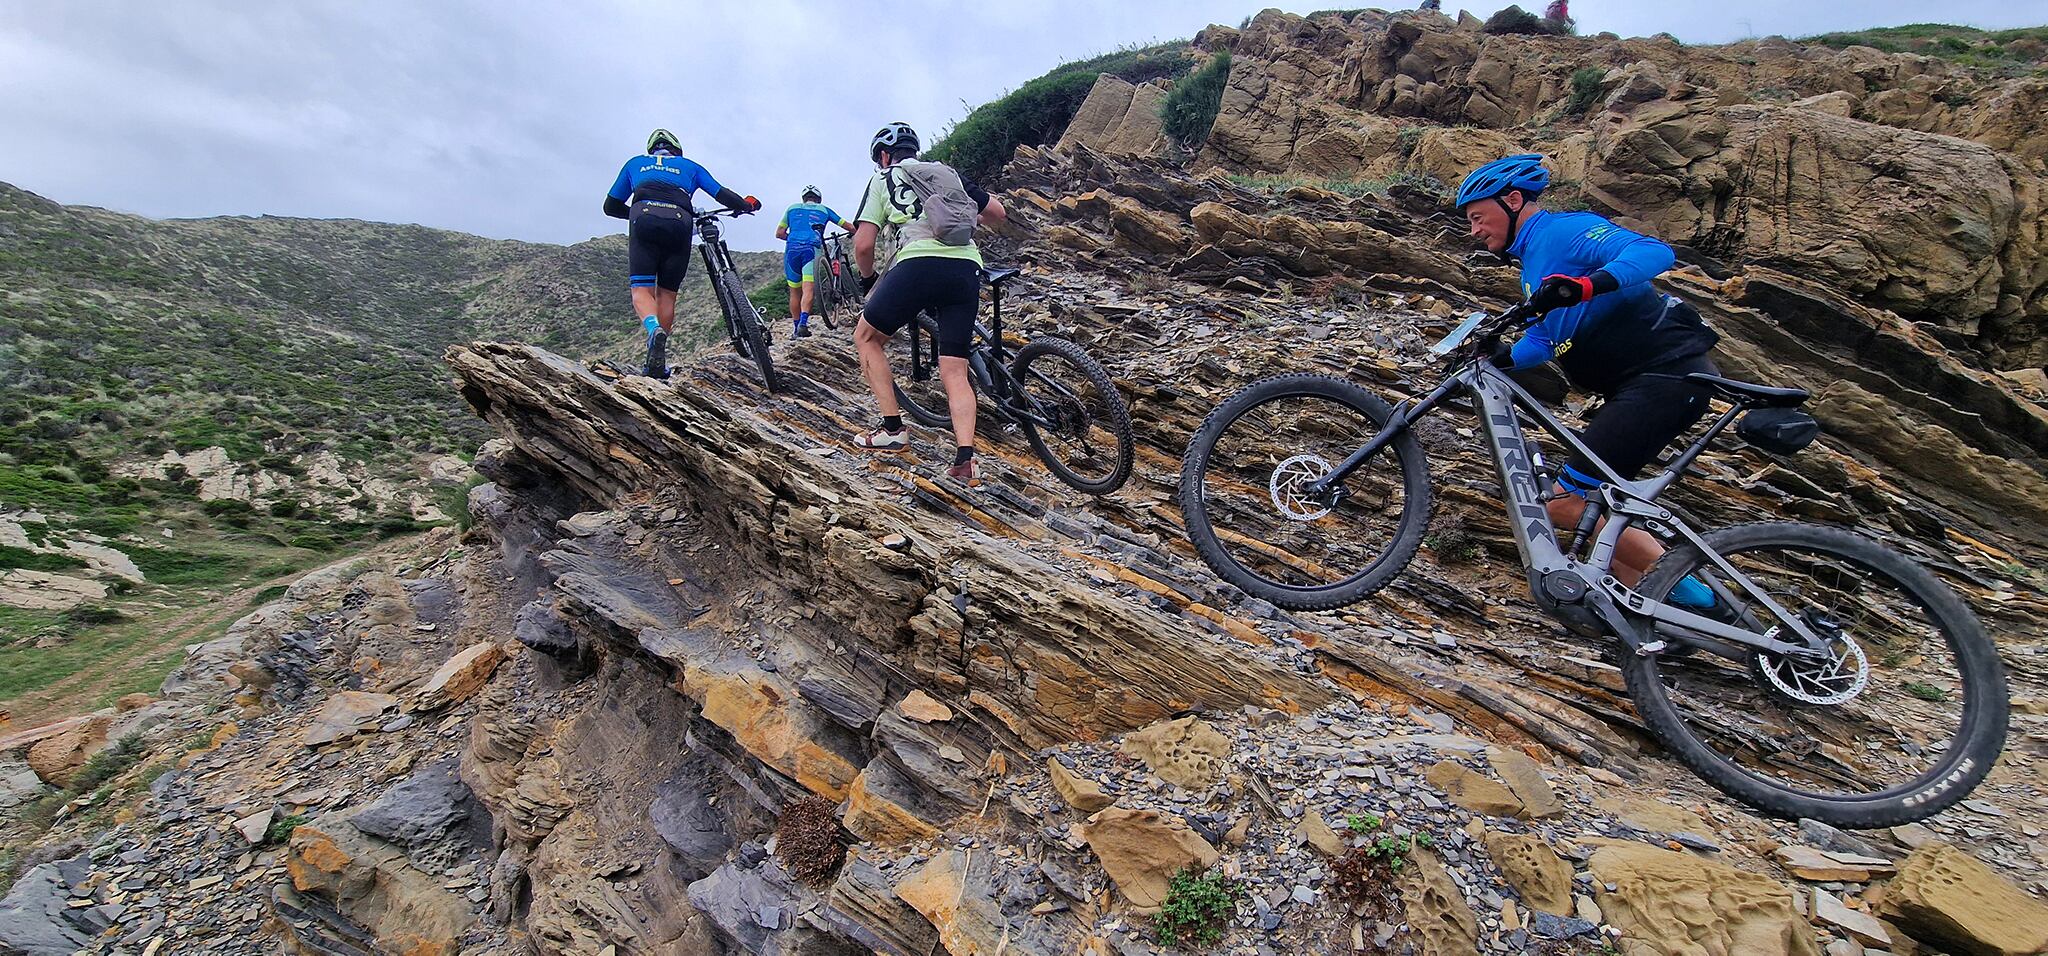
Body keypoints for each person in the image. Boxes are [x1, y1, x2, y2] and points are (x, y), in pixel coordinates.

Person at [1456, 153, 1724, 610]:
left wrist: (1587, 285)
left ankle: (1713, 605)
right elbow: (1547, 338)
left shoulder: (1563, 231)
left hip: (1665, 378)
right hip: (1644, 386)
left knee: (1563, 503)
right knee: (1600, 516)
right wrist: (1504, 357)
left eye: (1479, 217)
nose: (1475, 231)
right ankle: (1667, 619)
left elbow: (1655, 253)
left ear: (1513, 200)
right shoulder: (1532, 265)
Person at [848, 122, 1007, 485]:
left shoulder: (882, 178)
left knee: (866, 337)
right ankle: (965, 461)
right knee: (955, 368)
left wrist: (869, 280)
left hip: (916, 265)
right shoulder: (947, 174)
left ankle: (892, 430)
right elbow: (997, 212)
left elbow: (863, 244)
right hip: (966, 266)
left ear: (884, 156)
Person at [604, 128, 760, 378]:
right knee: (667, 294)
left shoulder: (635, 163)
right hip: (681, 222)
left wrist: (637, 213)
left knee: (641, 290)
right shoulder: (690, 167)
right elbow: (722, 194)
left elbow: (610, 206)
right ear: (677, 150)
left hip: (643, 219)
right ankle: (659, 355)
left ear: (651, 149)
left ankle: (653, 331)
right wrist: (747, 205)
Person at [775, 186, 853, 338]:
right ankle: (803, 324)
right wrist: (855, 231)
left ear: (804, 198)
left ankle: (796, 329)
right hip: (811, 249)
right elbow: (847, 225)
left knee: (794, 292)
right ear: (818, 199)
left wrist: (794, 238)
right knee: (808, 288)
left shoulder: (791, 209)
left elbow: (779, 233)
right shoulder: (824, 210)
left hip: (792, 250)